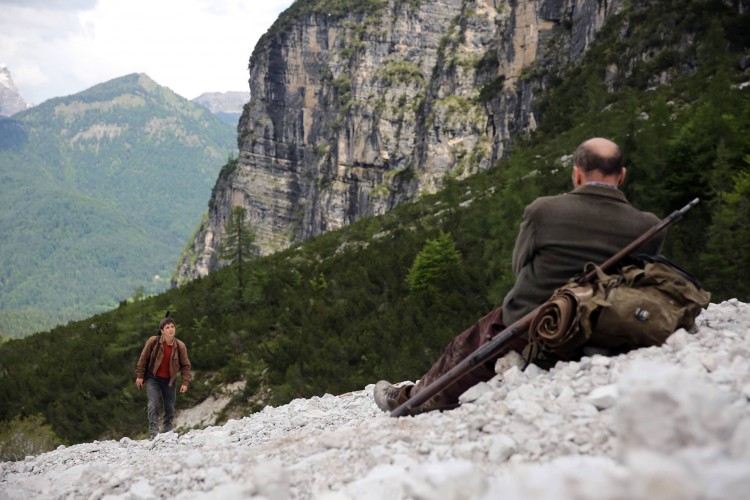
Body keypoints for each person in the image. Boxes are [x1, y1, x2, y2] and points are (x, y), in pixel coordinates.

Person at [373, 137, 665, 413]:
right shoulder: (647, 225)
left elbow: (519, 265)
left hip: (532, 323)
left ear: (577, 174)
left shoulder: (544, 211)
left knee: (464, 348)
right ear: (622, 175)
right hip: (605, 327)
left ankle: (408, 398)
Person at [135, 313, 191, 438]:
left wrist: (185, 382)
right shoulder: (153, 342)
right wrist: (140, 376)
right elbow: (143, 359)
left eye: (172, 327)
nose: (171, 329)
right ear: (162, 331)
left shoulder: (180, 346)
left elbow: (186, 366)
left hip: (169, 381)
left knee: (170, 407)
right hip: (152, 378)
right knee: (153, 404)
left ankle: (167, 432)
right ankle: (154, 433)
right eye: (167, 327)